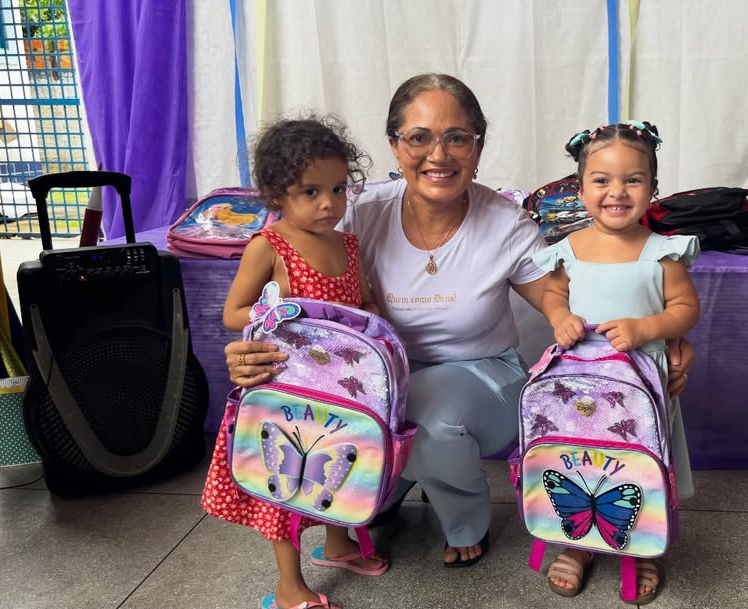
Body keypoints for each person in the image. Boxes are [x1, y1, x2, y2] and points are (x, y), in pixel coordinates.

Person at [222, 73, 696, 572]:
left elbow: (575, 302)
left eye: (457, 138)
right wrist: (259, 350)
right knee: (363, 483)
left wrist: (665, 338)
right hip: (378, 380)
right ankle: (402, 478)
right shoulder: (355, 212)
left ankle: (465, 522)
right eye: (419, 137)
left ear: (478, 147)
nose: (438, 154)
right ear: (394, 145)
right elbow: (298, 296)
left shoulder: (505, 222)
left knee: (426, 417)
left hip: (485, 376)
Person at [201, 115, 384, 609]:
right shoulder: (270, 246)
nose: (329, 203)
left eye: (338, 189)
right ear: (277, 192)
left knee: (338, 466)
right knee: (287, 482)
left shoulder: (348, 245)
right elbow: (234, 312)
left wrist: (376, 324)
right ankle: (289, 586)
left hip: (341, 388)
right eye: (311, 192)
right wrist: (281, 315)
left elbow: (364, 302)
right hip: (285, 390)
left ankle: (338, 544)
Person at [533, 121, 701, 604]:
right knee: (580, 459)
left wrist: (646, 328)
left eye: (633, 179)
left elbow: (686, 308)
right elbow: (552, 295)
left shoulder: (663, 252)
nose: (617, 192)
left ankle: (645, 544)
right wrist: (559, 316)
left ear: (653, 186)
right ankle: (577, 541)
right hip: (581, 384)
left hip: (642, 383)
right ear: (581, 188)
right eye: (602, 180)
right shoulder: (568, 250)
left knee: (640, 463)